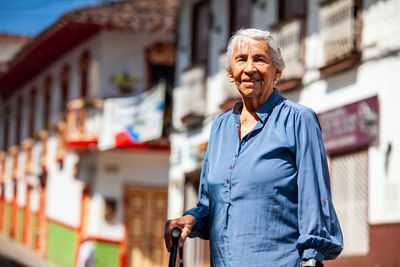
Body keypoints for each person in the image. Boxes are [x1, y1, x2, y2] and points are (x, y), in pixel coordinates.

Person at [165, 28, 343, 267]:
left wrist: (311, 260)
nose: (249, 68)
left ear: (277, 71)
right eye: (241, 60)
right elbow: (211, 206)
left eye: (259, 59)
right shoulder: (220, 127)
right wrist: (191, 220)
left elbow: (314, 200)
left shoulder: (299, 120)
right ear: (230, 73)